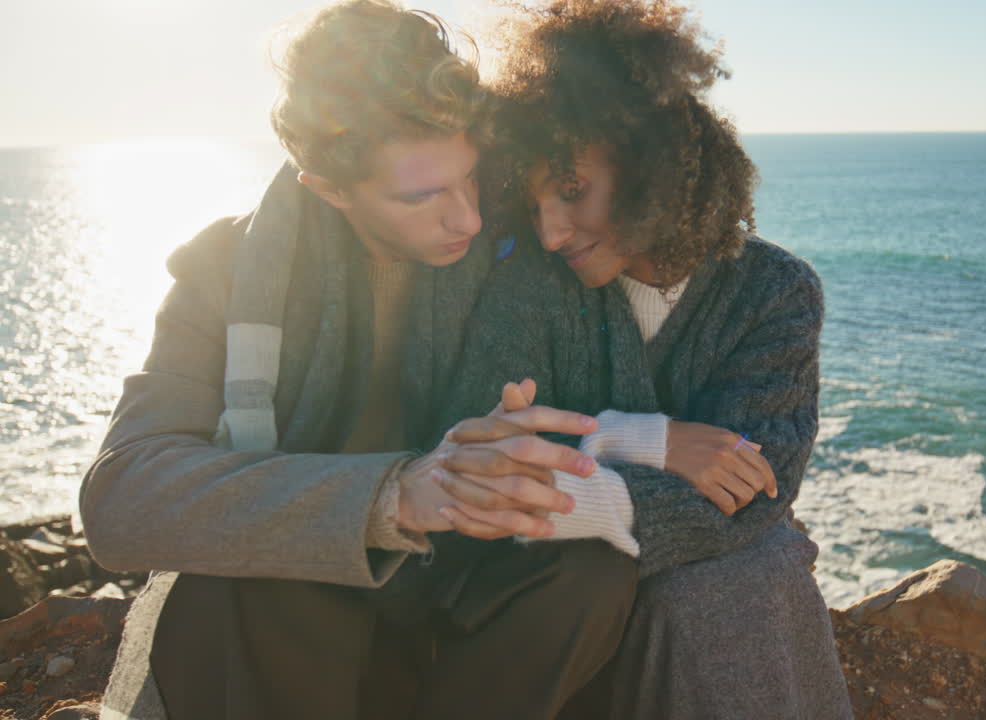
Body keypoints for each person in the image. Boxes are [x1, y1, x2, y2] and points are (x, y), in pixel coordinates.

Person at [80, 2, 637, 718]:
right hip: (298, 614)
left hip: (465, 592)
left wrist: (626, 441)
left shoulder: (526, 239)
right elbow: (121, 499)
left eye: (470, 178)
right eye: (421, 194)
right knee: (252, 567)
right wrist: (390, 495)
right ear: (330, 188)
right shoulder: (225, 268)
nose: (467, 217)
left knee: (590, 568)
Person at [431, 1, 854, 717]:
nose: (552, 229)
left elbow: (758, 485)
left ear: (651, 161)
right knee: (726, 581)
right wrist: (648, 441)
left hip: (701, 565)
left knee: (722, 583)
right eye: (533, 203)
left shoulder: (773, 290)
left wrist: (575, 495)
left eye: (570, 192)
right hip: (554, 589)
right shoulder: (531, 282)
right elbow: (482, 447)